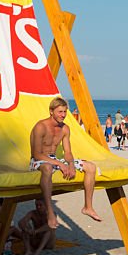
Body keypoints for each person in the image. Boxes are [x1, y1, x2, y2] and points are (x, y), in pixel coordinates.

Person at [29, 96, 101, 228]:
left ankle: (88, 207)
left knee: (90, 167)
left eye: (65, 112)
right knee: (47, 168)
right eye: (60, 112)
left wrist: (71, 165)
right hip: (38, 160)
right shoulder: (41, 126)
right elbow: (36, 154)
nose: (63, 115)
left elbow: (67, 152)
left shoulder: (65, 129)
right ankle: (50, 212)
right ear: (51, 111)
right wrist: (60, 164)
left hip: (54, 159)